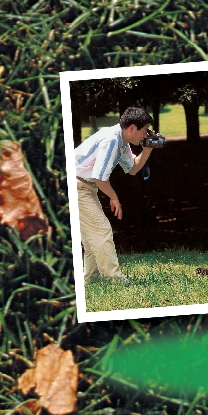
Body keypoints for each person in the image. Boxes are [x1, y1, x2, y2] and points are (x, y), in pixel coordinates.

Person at [75, 106, 157, 284]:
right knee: (102, 229)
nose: (145, 135)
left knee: (91, 240)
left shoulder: (121, 142)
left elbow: (133, 168)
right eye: (144, 131)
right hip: (77, 185)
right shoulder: (111, 140)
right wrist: (114, 197)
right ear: (132, 128)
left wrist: (148, 148)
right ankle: (115, 279)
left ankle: (90, 279)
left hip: (83, 185)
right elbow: (99, 177)